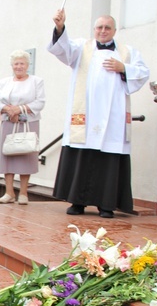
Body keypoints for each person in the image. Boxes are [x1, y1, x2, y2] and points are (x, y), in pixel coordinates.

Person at [47, 11, 150, 218]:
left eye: (107, 28)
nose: (103, 31)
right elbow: (62, 49)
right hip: (86, 115)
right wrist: (60, 28)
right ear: (94, 30)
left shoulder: (127, 52)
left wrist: (124, 68)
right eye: (99, 27)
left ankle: (106, 205)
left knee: (109, 159)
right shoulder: (81, 48)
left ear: (114, 30)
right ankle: (77, 202)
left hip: (113, 116)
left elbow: (143, 73)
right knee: (82, 157)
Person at [0, 50, 46, 205]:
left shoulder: (36, 81)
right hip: (8, 121)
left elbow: (40, 102)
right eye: (16, 63)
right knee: (8, 154)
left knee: (26, 155)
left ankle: (23, 193)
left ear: (28, 65)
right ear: (12, 66)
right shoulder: (4, 82)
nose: (19, 66)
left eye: (22, 63)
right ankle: (9, 192)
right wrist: (9, 110)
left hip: (29, 123)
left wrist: (19, 109)